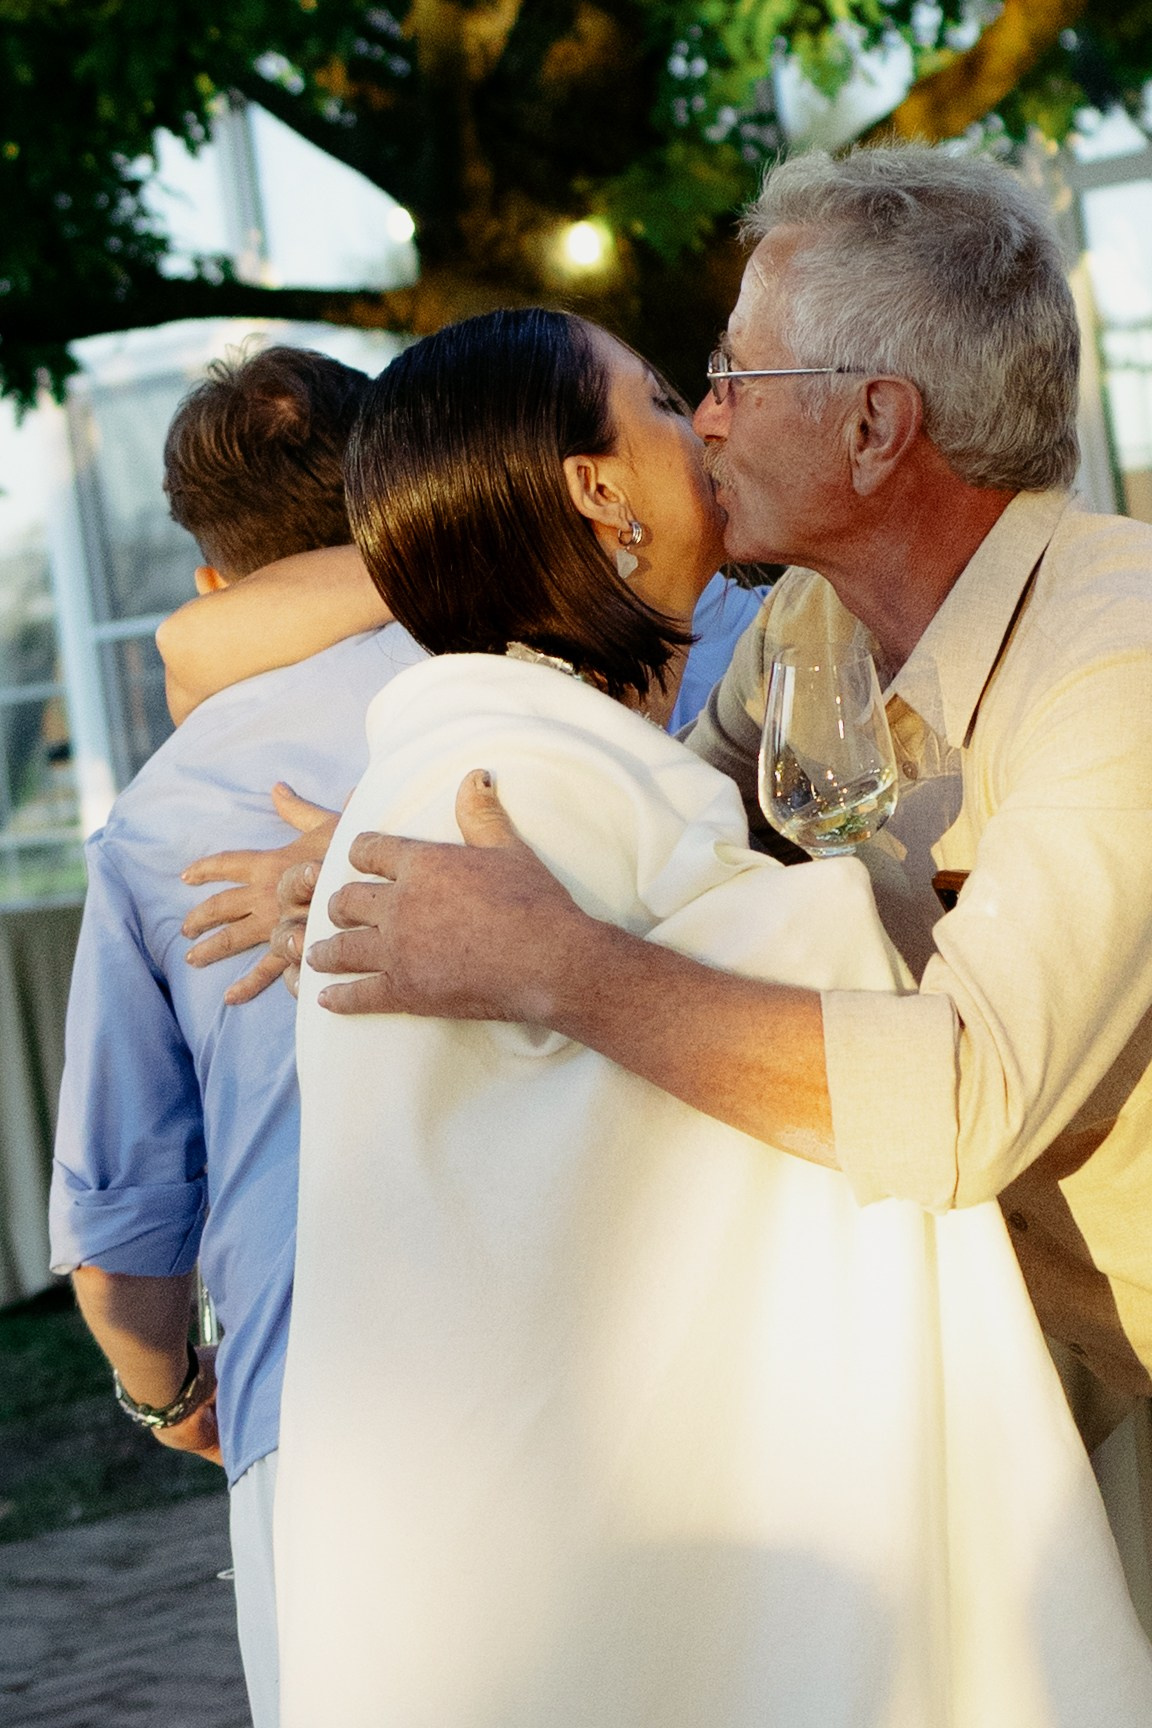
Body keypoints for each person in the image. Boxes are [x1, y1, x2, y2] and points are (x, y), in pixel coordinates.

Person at [292, 145, 1152, 1613]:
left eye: (736, 375)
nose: (710, 423)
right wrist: (407, 849)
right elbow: (665, 828)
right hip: (1009, 1390)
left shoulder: (1119, 654)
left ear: (877, 423)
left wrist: (551, 966)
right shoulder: (809, 626)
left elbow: (957, 1101)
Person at [48, 344, 425, 1728]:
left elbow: (119, 1237)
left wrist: (171, 1396)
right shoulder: (575, 664)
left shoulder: (159, 818)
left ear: (215, 581)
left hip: (315, 1392)